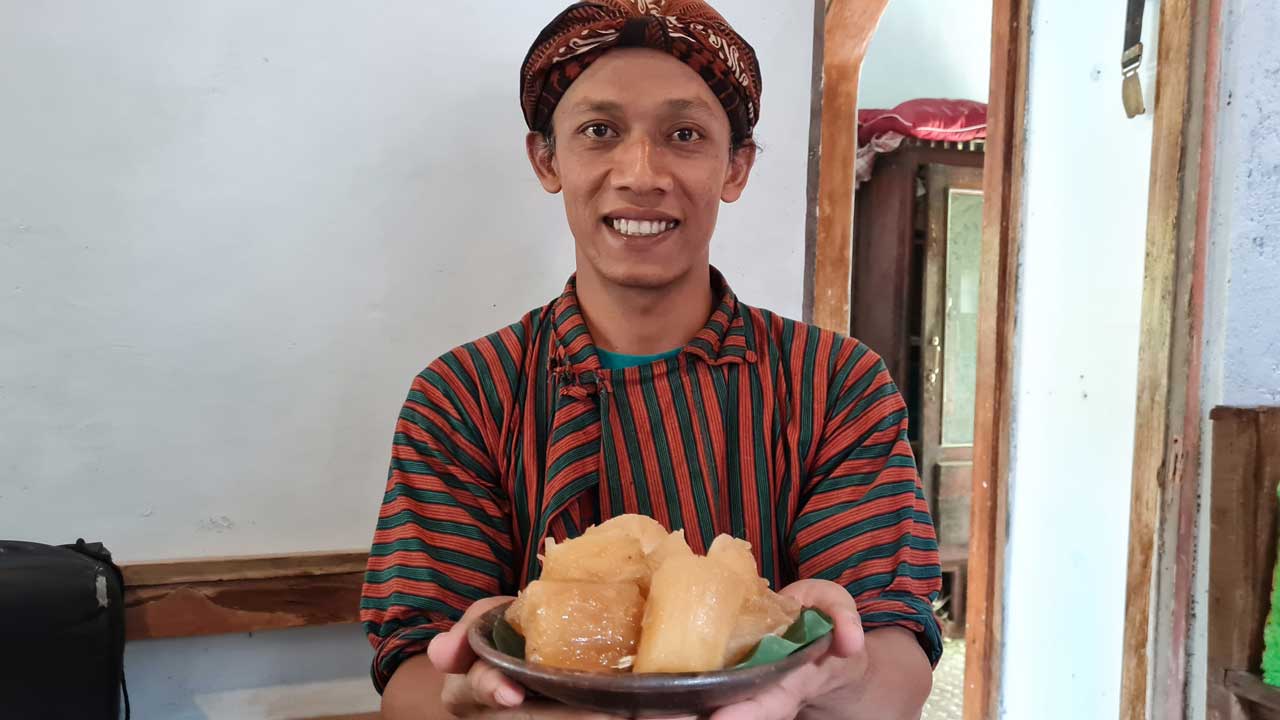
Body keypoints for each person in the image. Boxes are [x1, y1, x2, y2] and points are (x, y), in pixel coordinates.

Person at [360, 1, 942, 718]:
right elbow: (416, 668)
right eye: (599, 131)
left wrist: (842, 678)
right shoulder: (463, 398)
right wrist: (462, 700)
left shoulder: (834, 385)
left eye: (685, 134)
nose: (641, 172)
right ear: (547, 159)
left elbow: (892, 650)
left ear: (736, 167)